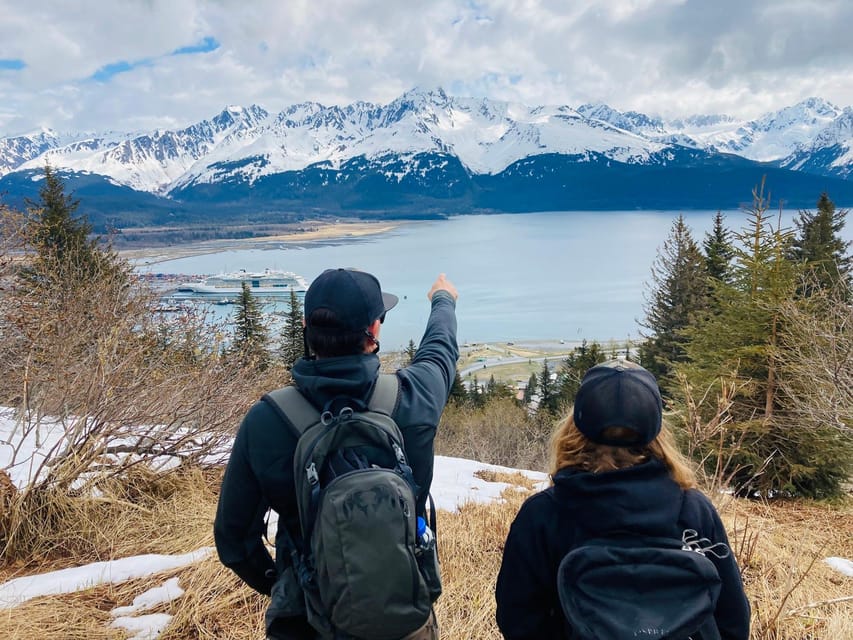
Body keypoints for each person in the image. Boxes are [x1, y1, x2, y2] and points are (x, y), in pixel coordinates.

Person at [214, 268, 459, 640]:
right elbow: (440, 351)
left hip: (308, 623)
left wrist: (290, 582)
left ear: (306, 327)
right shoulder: (413, 398)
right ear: (374, 331)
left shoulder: (268, 420)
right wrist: (443, 300)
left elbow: (233, 540)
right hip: (403, 614)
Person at [495, 359, 750, 640]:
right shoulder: (693, 510)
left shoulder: (543, 514)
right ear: (657, 431)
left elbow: (517, 619)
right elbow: (733, 620)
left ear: (575, 426)